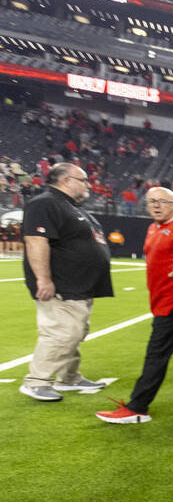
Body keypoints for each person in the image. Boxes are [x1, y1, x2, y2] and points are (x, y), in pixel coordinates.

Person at [95, 187, 173, 423]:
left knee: (156, 356)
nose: (156, 205)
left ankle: (137, 408)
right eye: (152, 201)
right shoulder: (154, 227)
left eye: (162, 201)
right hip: (162, 301)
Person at [20, 163, 112, 401]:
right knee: (62, 332)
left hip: (78, 284)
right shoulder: (45, 203)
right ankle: (37, 381)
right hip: (61, 284)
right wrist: (43, 279)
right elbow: (35, 240)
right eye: (83, 180)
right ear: (66, 180)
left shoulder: (69, 206)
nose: (88, 185)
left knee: (75, 331)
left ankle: (68, 377)